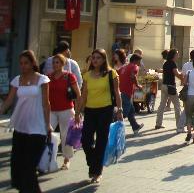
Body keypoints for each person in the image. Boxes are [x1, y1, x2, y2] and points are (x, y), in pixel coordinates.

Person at [0, 50, 51, 192]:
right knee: (17, 167)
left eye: (26, 63)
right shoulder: (17, 80)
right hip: (21, 127)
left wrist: (47, 125)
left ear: (32, 63)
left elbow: (46, 104)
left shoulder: (42, 79)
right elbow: (9, 101)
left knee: (29, 168)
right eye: (21, 63)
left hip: (37, 128)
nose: (23, 66)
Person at [77, 48, 123, 184]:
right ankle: (93, 163)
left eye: (98, 58)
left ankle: (97, 171)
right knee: (85, 140)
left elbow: (117, 92)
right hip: (90, 111)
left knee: (101, 141)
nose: (95, 60)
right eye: (93, 58)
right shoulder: (87, 75)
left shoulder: (111, 74)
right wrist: (78, 111)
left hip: (105, 110)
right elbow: (84, 95)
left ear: (103, 60)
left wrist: (120, 109)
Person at [48, 53, 81, 170]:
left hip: (66, 110)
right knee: (47, 134)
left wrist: (78, 112)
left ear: (63, 64)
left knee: (66, 135)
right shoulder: (49, 77)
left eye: (57, 62)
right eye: (53, 62)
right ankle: (48, 158)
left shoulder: (69, 76)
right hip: (51, 110)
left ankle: (66, 160)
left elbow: (78, 94)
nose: (55, 65)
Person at [155, 48, 183, 131]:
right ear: (173, 55)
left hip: (164, 86)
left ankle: (158, 123)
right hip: (171, 86)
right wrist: (183, 77)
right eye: (177, 54)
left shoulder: (166, 63)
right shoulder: (173, 63)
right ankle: (179, 125)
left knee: (162, 105)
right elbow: (176, 74)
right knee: (177, 106)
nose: (178, 55)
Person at [118, 53, 144, 136]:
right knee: (124, 112)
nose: (140, 63)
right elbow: (133, 76)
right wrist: (138, 85)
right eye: (140, 61)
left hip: (121, 91)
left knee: (131, 110)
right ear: (136, 60)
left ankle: (135, 127)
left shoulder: (124, 67)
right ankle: (113, 128)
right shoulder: (134, 66)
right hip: (126, 92)